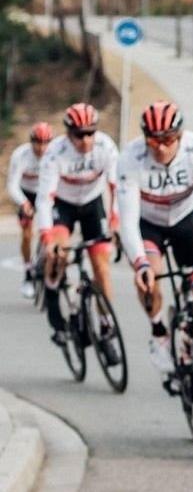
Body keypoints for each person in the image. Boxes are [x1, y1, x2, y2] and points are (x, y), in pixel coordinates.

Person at [117, 101, 193, 423]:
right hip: (149, 224)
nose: (160, 147)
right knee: (151, 273)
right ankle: (159, 332)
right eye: (153, 140)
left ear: (180, 135)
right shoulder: (131, 158)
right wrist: (141, 263)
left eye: (168, 139)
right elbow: (127, 220)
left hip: (187, 219)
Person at [36, 104, 119, 346]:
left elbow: (117, 188)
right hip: (63, 206)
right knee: (58, 253)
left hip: (93, 204)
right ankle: (54, 308)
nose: (86, 140)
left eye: (90, 133)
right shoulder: (55, 152)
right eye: (79, 135)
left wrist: (115, 222)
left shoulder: (106, 147)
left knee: (101, 267)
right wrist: (47, 238)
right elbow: (44, 199)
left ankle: (106, 322)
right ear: (68, 133)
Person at [8, 122, 53, 298]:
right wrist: (24, 203)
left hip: (46, 192)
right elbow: (12, 185)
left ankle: (47, 263)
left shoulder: (54, 154)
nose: (41, 148)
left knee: (50, 230)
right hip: (26, 194)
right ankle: (28, 272)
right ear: (31, 142)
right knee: (27, 234)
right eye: (37, 143)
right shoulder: (21, 155)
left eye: (45, 143)